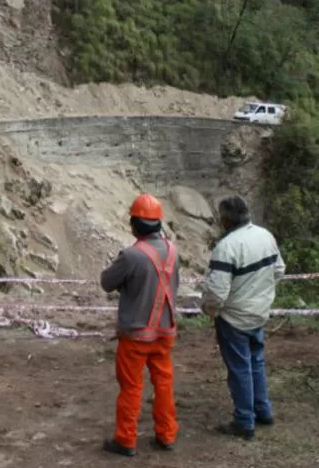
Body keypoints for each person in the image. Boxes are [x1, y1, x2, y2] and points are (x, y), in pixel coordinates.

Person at [99, 193, 180, 456]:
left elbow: (106, 282)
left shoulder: (131, 255)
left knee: (131, 388)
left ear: (134, 224)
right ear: (158, 223)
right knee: (164, 384)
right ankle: (166, 435)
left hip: (135, 336)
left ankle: (125, 440)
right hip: (164, 332)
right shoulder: (173, 251)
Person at [201, 196, 285, 441]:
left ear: (226, 218)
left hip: (234, 318)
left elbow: (216, 294)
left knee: (239, 369)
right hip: (258, 312)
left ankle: (244, 421)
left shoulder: (226, 247)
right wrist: (259, 292)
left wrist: (209, 310)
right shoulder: (264, 235)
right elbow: (278, 269)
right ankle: (263, 410)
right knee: (256, 362)